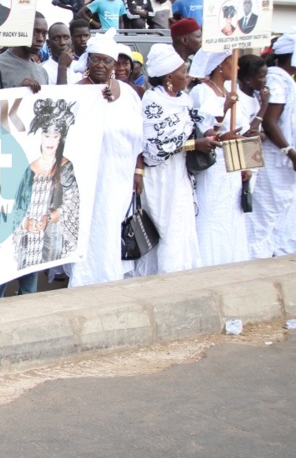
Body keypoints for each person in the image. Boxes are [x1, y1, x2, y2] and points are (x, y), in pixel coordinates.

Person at [67, 32, 143, 288]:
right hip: (90, 176)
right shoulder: (77, 92)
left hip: (120, 174)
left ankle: (111, 276)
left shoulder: (129, 94)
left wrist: (138, 171)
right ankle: (86, 280)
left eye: (107, 61)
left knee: (112, 224)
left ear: (114, 65)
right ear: (88, 61)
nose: (101, 65)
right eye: (96, 59)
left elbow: (138, 136)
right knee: (93, 225)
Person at [135, 44, 216, 276]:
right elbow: (153, 150)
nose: (188, 76)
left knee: (182, 229)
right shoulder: (152, 102)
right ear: (170, 77)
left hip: (179, 174)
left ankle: (183, 281)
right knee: (168, 231)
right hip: (160, 178)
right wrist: (194, 145)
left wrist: (209, 136)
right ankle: (166, 282)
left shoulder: (184, 101)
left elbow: (191, 130)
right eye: (183, 72)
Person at [188, 51, 248, 267]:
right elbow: (206, 132)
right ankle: (207, 265)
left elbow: (242, 133)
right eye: (235, 63)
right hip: (212, 164)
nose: (238, 68)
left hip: (233, 165)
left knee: (231, 214)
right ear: (220, 65)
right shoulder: (200, 92)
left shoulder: (234, 90)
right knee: (211, 213)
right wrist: (224, 107)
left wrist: (245, 165)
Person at [12, 98, 80, 277]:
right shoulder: (29, 167)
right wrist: (25, 222)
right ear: (40, 135)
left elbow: (72, 202)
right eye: (46, 135)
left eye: (55, 136)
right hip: (27, 237)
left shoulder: (65, 167)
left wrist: (50, 217)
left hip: (51, 237)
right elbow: (16, 205)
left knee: (32, 281)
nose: (50, 140)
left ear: (61, 138)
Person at [247, 35, 296, 258]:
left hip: (282, 161)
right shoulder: (277, 79)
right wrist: (290, 152)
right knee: (263, 216)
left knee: (279, 216)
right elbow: (270, 121)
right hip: (273, 159)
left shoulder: (287, 78)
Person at [0, 12, 48, 92]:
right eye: (34, 32)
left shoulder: (42, 73)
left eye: (44, 34)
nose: (41, 39)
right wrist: (17, 93)